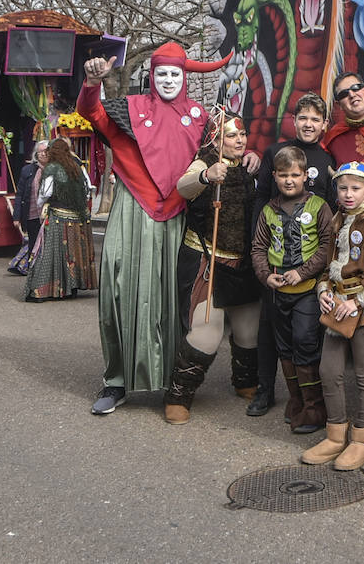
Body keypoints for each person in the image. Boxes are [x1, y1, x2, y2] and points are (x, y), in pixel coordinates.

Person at [78, 43, 232, 415]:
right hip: (133, 208)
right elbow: (91, 112)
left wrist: (250, 154)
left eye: (174, 74)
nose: (167, 80)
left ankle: (173, 383)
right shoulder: (129, 109)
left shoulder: (199, 116)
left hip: (179, 212)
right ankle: (116, 381)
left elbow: (225, 149)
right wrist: (91, 82)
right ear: (151, 77)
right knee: (118, 289)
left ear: (185, 78)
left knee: (172, 300)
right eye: (161, 73)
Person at [300, 161, 364, 470]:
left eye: (355, 188)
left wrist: (358, 301)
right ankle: (335, 436)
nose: (348, 194)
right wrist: (323, 292)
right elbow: (328, 264)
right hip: (337, 307)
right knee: (329, 370)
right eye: (342, 188)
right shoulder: (336, 220)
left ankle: (362, 440)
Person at [165, 109, 258, 423]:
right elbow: (183, 186)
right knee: (207, 332)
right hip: (207, 259)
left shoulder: (249, 164)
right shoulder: (204, 160)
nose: (239, 140)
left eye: (241, 134)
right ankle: (179, 395)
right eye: (231, 135)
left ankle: (245, 381)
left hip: (242, 262)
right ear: (216, 139)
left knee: (249, 332)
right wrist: (206, 176)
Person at [247, 92, 335, 417]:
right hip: (273, 259)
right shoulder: (274, 153)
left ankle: (311, 399)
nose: (308, 124)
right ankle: (264, 390)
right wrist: (257, 254)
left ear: (324, 124)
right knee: (269, 329)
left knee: (306, 333)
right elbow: (261, 201)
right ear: (294, 121)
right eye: (303, 118)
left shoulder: (327, 161)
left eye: (315, 119)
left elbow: (330, 214)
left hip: (308, 267)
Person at [24, 138, 96, 302]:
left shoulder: (52, 168)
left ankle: (43, 291)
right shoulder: (77, 166)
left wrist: (42, 206)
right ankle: (72, 288)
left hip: (58, 217)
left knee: (51, 254)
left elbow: (45, 193)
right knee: (74, 253)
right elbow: (87, 189)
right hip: (79, 218)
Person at [322, 72, 364, 165]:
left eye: (356, 88)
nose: (352, 95)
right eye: (344, 94)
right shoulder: (333, 138)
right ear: (339, 105)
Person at [8, 140, 50, 275]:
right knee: (33, 246)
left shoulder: (55, 169)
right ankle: (34, 275)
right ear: (35, 154)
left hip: (50, 216)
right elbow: (20, 195)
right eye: (40, 152)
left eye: (46, 151)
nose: (43, 154)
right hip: (32, 216)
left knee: (48, 247)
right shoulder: (28, 170)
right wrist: (17, 216)